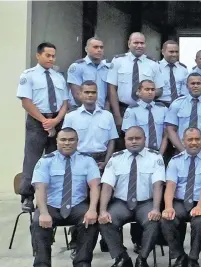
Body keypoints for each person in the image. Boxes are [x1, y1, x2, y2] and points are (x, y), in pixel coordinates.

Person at [31, 128, 101, 267]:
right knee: (38, 222)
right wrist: (43, 213)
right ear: (56, 142)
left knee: (91, 221)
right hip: (51, 205)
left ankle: (82, 262)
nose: (67, 143)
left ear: (77, 142)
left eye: (71, 140)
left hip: (77, 205)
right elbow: (40, 188)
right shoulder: (46, 161)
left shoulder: (87, 160)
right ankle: (42, 263)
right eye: (63, 140)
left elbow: (95, 186)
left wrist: (93, 209)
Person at [98, 126, 165, 267]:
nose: (134, 141)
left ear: (145, 139)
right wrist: (102, 210)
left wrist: (156, 208)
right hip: (121, 203)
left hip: (145, 203)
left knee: (153, 222)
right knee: (105, 221)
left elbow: (157, 185)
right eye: (130, 139)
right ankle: (122, 257)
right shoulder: (116, 158)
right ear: (125, 140)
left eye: (138, 138)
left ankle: (142, 259)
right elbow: (107, 186)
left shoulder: (155, 157)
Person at [18, 42, 70, 211]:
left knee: (55, 159)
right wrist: (43, 120)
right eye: (47, 55)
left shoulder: (58, 76)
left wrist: (55, 121)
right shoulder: (29, 75)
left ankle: (52, 196)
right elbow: (26, 102)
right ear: (38, 55)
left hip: (56, 120)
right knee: (32, 159)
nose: (51, 59)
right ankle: (27, 196)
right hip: (36, 121)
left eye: (53, 56)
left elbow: (65, 103)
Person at [161, 127, 201, 267]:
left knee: (199, 222)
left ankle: (193, 259)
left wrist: (200, 206)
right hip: (180, 202)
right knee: (167, 220)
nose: (194, 142)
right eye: (190, 139)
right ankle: (180, 256)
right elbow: (170, 186)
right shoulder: (175, 161)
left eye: (197, 139)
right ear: (183, 141)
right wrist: (168, 207)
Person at [62, 81, 119, 169]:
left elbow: (111, 141)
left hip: (102, 159)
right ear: (80, 94)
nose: (90, 95)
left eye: (93, 92)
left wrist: (106, 162)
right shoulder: (71, 116)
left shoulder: (107, 115)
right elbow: (65, 142)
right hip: (79, 158)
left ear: (97, 94)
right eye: (87, 92)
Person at [165, 73, 201, 157]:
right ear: (187, 86)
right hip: (181, 151)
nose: (195, 86)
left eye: (198, 83)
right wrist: (183, 151)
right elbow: (170, 130)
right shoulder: (177, 104)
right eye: (192, 83)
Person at [67, 37, 110, 108]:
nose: (99, 50)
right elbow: (76, 94)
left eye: (101, 47)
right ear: (86, 49)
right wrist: (92, 109)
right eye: (95, 47)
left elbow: (108, 95)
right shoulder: (77, 66)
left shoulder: (106, 69)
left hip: (100, 111)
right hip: (79, 109)